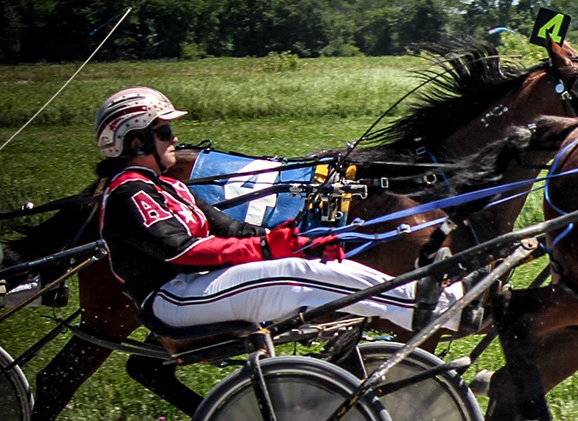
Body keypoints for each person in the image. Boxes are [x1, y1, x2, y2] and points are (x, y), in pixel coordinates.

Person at [93, 87, 454, 333]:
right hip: (173, 296)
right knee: (295, 274)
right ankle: (432, 310)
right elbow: (181, 250)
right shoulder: (128, 193)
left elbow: (233, 231)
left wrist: (304, 244)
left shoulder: (171, 187)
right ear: (137, 140)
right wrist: (268, 251)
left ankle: (430, 303)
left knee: (320, 266)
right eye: (165, 130)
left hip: (198, 287)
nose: (174, 138)